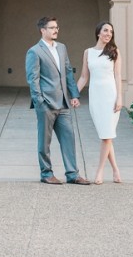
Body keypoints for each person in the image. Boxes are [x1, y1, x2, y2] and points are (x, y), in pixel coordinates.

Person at [25, 16, 91, 185]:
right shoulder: (35, 51)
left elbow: (68, 72)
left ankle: (72, 174)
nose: (56, 30)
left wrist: (74, 95)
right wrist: (39, 101)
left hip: (63, 103)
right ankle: (46, 173)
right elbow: (33, 79)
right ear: (43, 30)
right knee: (44, 141)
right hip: (46, 103)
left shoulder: (62, 48)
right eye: (52, 27)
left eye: (57, 27)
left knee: (69, 138)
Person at [77, 21, 123, 185]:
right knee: (106, 136)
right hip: (96, 98)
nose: (108, 34)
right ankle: (116, 170)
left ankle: (100, 171)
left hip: (110, 97)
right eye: (105, 30)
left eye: (111, 31)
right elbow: (84, 77)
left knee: (106, 136)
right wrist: (74, 95)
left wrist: (119, 98)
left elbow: (118, 76)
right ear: (98, 33)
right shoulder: (88, 52)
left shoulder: (114, 52)